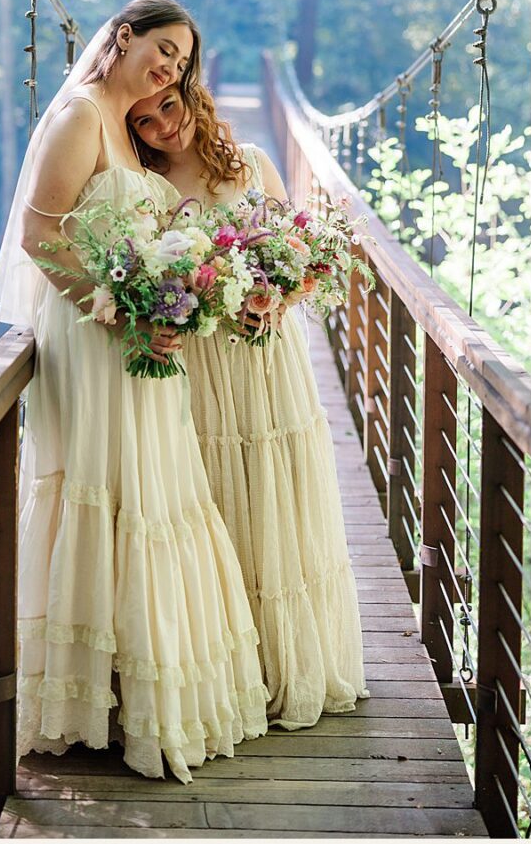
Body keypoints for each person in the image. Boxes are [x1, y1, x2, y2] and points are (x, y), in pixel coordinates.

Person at [0, 0, 268, 782]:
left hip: (143, 348)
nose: (169, 69)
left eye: (181, 62)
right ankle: (94, 706)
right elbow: (39, 234)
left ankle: (132, 697)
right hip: (94, 344)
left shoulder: (129, 133)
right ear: (122, 36)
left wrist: (177, 294)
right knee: (107, 494)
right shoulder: (81, 115)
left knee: (154, 495)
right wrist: (117, 311)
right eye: (163, 50)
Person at [127, 80, 368, 727]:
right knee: (220, 500)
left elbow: (299, 253)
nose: (161, 126)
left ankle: (290, 662)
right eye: (143, 121)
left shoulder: (255, 161)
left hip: (268, 360)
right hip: (204, 366)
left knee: (277, 496)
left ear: (192, 97)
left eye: (168, 106)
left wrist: (277, 298)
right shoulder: (144, 186)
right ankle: (233, 671)